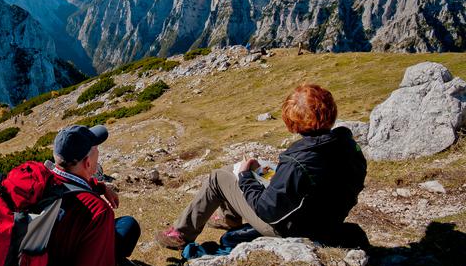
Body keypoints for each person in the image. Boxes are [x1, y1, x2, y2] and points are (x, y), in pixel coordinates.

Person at [156, 84, 367, 250]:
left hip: (290, 228)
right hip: (325, 220)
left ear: (294, 123)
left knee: (218, 178)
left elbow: (267, 210)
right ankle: (228, 218)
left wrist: (246, 176)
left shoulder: (298, 160)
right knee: (233, 171)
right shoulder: (348, 146)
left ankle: (180, 234)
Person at [45, 124, 141, 266]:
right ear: (88, 163)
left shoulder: (43, 179)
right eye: (96, 150)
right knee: (129, 226)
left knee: (125, 224)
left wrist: (101, 187)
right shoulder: (98, 211)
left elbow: (71, 181)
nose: (99, 152)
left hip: (42, 262)